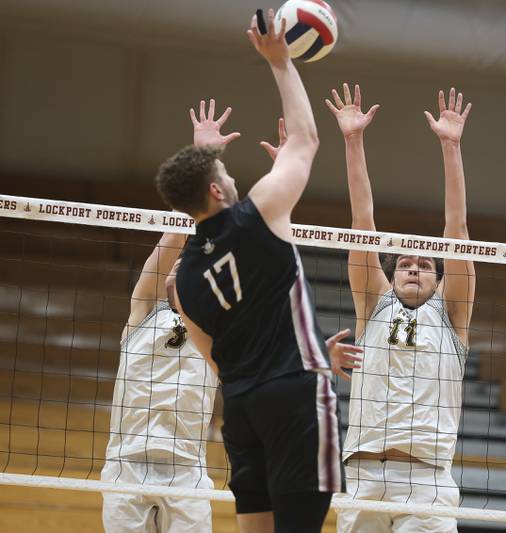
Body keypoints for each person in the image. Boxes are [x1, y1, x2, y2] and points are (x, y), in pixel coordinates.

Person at [154, 10, 355, 533]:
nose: (231, 175)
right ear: (216, 190)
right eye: (223, 170)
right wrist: (280, 61)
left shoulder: (183, 280)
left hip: (241, 407)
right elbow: (306, 140)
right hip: (295, 396)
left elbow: (215, 360)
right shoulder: (258, 212)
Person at [325, 84, 476, 532]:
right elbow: (362, 223)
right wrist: (353, 140)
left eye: (425, 265)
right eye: (405, 263)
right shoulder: (374, 303)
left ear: (439, 279)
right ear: (390, 276)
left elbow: (457, 229)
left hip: (427, 483)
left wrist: (451, 147)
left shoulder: (452, 314)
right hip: (364, 477)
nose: (413, 267)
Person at [100, 227, 218, 533]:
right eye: (176, 267)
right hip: (127, 464)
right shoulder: (144, 310)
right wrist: (195, 212)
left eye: (189, 271)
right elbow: (172, 239)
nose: (180, 272)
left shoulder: (215, 330)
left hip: (187, 470)